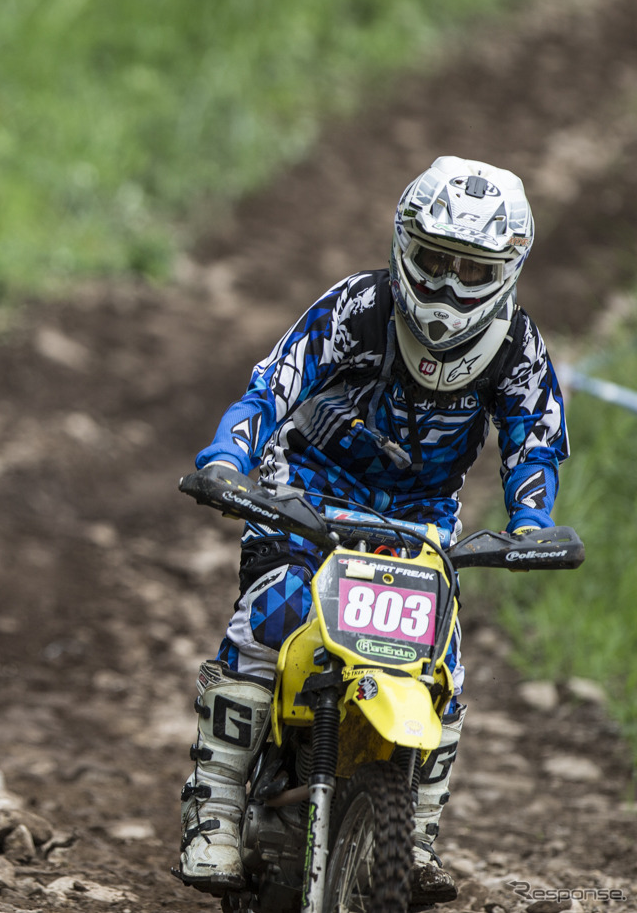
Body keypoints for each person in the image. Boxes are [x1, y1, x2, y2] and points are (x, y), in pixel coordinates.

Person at [175, 156, 568, 904]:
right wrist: (228, 457)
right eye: (434, 263)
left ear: (509, 268)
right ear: (402, 245)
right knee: (269, 617)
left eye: (472, 270)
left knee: (443, 660)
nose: (449, 289)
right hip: (309, 499)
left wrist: (531, 521)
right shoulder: (356, 307)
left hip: (419, 525)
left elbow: (534, 442)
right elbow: (274, 382)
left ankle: (414, 833)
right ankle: (215, 810)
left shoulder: (518, 349)